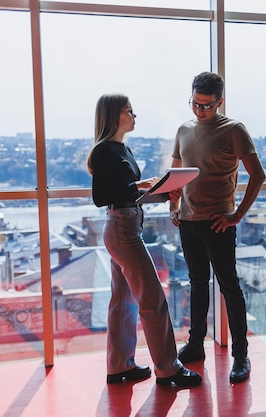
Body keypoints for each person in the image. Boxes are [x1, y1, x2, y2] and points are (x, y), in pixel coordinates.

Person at [88, 93, 201, 388]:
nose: (134, 115)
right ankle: (168, 370)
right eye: (129, 110)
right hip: (123, 229)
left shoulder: (122, 149)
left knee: (123, 302)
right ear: (114, 115)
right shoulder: (104, 151)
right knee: (153, 300)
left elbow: (125, 192)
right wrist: (138, 185)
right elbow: (102, 197)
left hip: (127, 225)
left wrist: (160, 191)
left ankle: (119, 366)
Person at [169, 72, 266, 383]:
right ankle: (196, 344)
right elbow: (176, 175)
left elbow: (258, 175)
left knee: (229, 286)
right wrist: (174, 207)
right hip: (188, 220)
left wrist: (236, 215)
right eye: (195, 104)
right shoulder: (183, 129)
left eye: (206, 106)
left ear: (220, 102)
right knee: (197, 284)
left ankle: (241, 355)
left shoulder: (234, 130)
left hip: (218, 221)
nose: (199, 111)